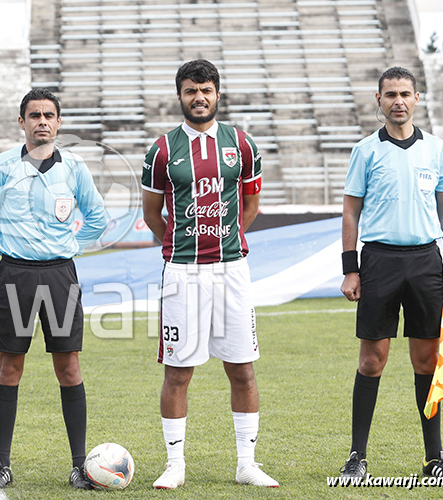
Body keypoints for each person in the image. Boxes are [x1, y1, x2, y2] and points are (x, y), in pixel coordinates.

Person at [141, 60, 279, 489]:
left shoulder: (242, 144)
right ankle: (175, 465)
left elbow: (250, 205)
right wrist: (184, 244)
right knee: (178, 372)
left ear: (218, 93)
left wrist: (224, 240)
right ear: (179, 96)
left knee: (242, 368)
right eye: (190, 91)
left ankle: (246, 464)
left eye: (205, 90)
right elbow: (152, 214)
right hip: (182, 273)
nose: (198, 97)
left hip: (232, 269)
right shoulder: (161, 150)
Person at [0, 88, 107, 490]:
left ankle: (80, 465)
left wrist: (69, 248)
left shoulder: (74, 167)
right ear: (22, 122)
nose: (42, 122)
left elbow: (97, 218)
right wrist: (11, 250)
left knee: (68, 367)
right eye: (35, 115)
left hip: (60, 275)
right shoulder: (3, 165)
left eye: (49, 115)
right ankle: (2, 464)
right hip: (16, 275)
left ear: (59, 122)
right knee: (9, 367)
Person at [339, 66, 443, 482]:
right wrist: (351, 269)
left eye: (405, 94)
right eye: (390, 94)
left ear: (416, 99)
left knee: (427, 360)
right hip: (379, 261)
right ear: (379, 100)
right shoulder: (365, 151)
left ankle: (434, 459)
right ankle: (357, 457)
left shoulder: (435, 148)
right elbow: (351, 212)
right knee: (372, 360)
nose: (398, 101)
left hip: (427, 262)